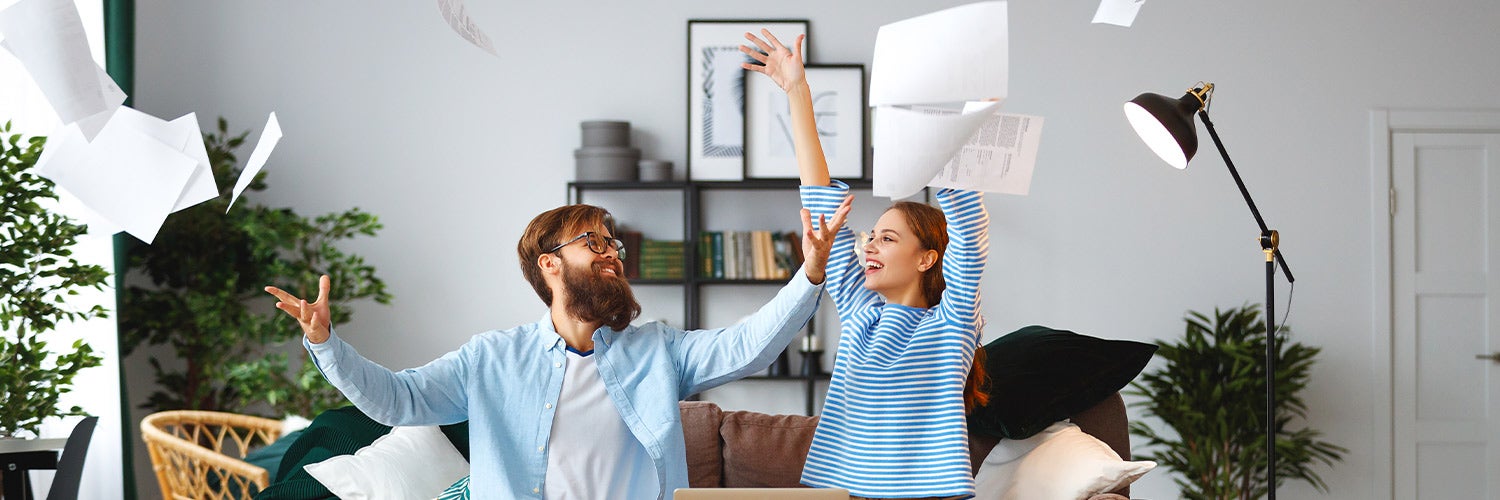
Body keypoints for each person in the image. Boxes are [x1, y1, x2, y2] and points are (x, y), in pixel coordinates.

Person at [264, 201, 848, 499]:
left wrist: (811, 272)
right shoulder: (490, 358)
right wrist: (328, 345)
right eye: (592, 241)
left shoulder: (658, 351)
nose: (612, 251)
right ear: (550, 264)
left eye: (613, 241)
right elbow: (399, 400)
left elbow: (748, 346)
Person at [742, 29, 991, 499]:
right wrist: (797, 90)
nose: (870, 246)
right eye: (871, 236)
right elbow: (817, 196)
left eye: (888, 238)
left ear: (927, 258)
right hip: (842, 494)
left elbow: (970, 236)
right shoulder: (860, 310)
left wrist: (957, 129)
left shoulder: (953, 320)